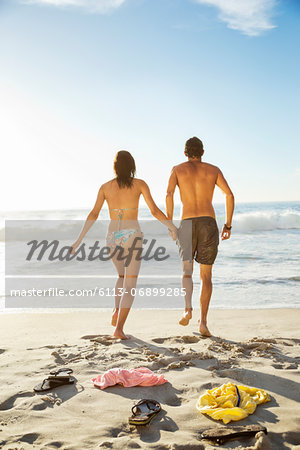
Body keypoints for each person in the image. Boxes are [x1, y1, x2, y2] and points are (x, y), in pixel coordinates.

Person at [71, 150, 177, 340]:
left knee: (121, 275)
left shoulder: (105, 187)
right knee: (130, 284)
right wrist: (172, 227)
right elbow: (154, 210)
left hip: (112, 237)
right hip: (132, 235)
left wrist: (79, 240)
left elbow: (93, 214)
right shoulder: (139, 184)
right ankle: (119, 328)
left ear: (115, 167)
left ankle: (116, 309)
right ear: (132, 167)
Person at [166, 137, 234, 336]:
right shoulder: (213, 170)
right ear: (202, 152)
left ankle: (187, 309)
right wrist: (228, 224)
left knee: (187, 272)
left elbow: (169, 194)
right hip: (207, 222)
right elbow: (229, 195)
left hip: (186, 223)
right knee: (206, 276)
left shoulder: (177, 169)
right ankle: (203, 323)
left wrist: (170, 223)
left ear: (185, 153)